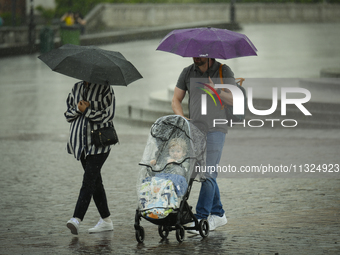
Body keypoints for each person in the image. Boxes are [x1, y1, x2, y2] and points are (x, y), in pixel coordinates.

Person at [172, 57, 235, 234]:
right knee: (206, 172)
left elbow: (234, 99)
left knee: (208, 172)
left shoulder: (223, 70)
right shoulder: (187, 72)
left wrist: (216, 90)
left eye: (199, 53)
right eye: (193, 53)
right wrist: (181, 117)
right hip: (195, 130)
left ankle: (201, 217)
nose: (195, 56)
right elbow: (176, 99)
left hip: (217, 128)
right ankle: (218, 213)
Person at [64, 81, 115, 235]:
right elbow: (67, 115)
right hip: (81, 145)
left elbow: (108, 116)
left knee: (88, 181)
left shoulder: (106, 88)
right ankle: (106, 220)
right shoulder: (76, 87)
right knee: (95, 182)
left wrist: (87, 111)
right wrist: (79, 110)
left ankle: (76, 218)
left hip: (99, 145)